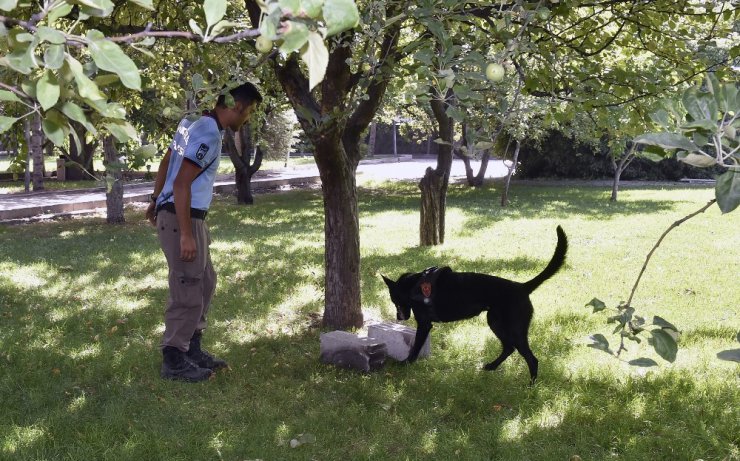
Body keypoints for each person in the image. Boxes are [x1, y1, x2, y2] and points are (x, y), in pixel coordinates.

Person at [146, 82, 262, 382]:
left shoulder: (192, 121)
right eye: (248, 112)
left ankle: (191, 347)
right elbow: (182, 183)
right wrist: (185, 233)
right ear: (237, 106)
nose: (246, 118)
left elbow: (167, 161)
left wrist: (154, 199)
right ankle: (174, 358)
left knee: (205, 281)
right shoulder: (209, 132)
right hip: (182, 217)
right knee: (187, 288)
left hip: (182, 214)